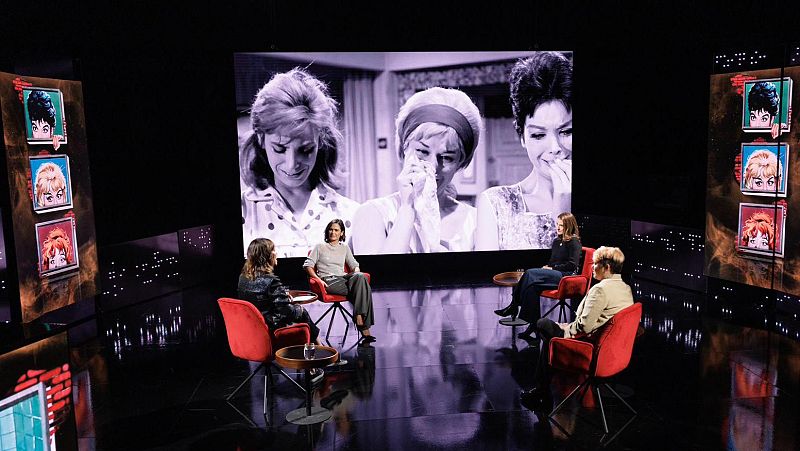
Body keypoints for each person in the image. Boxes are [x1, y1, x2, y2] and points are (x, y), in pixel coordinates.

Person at [240, 68, 360, 258]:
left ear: (321, 141)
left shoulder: (352, 214)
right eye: (280, 149)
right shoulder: (243, 212)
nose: (291, 164)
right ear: (261, 139)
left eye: (305, 150)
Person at [350, 87, 482, 254]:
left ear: (460, 162)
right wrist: (408, 208)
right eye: (422, 152)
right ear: (404, 149)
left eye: (447, 157)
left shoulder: (476, 222)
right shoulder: (372, 214)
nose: (433, 166)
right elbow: (376, 277)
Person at [475, 52, 572, 250]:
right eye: (538, 135)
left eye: (567, 131)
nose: (555, 148)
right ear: (522, 138)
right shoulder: (496, 204)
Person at [520, 246, 633, 410]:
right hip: (610, 348)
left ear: (607, 267)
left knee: (542, 324)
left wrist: (565, 329)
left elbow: (584, 327)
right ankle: (544, 386)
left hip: (590, 346)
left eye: (595, 264)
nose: (592, 267)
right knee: (550, 341)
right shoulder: (625, 287)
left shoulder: (601, 290)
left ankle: (543, 388)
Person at [493, 212, 581, 338]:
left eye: (561, 225)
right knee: (531, 288)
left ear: (569, 226)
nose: (558, 227)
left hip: (566, 276)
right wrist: (547, 267)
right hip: (554, 273)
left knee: (529, 273)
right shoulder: (557, 241)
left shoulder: (574, 242)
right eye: (557, 224)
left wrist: (552, 268)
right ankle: (533, 326)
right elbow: (552, 261)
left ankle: (514, 305)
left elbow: (572, 265)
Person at [237, 238, 321, 344]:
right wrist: (290, 303)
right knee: (301, 311)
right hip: (270, 325)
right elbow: (288, 312)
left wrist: (283, 299)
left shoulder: (243, 278)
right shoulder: (271, 280)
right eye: (274, 250)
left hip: (253, 325)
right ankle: (321, 351)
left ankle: (318, 350)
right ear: (267, 255)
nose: (276, 253)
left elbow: (260, 302)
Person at [304, 219, 376, 342]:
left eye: (336, 230)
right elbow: (308, 266)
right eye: (330, 230)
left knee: (360, 277)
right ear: (327, 232)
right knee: (364, 289)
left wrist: (357, 271)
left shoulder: (345, 248)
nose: (333, 232)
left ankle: (359, 315)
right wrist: (318, 280)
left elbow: (354, 265)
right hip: (328, 280)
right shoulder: (320, 247)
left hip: (343, 278)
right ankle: (363, 327)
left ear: (342, 233)